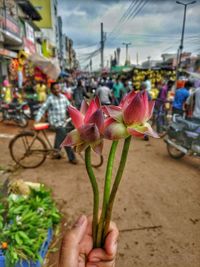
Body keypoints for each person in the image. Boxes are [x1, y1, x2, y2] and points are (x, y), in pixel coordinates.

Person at [35, 82, 77, 164]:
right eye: (54, 89)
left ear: (60, 88)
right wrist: (37, 119)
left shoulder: (63, 97)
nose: (57, 90)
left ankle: (56, 152)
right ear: (51, 90)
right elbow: (42, 109)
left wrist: (77, 113)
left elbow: (70, 107)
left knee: (63, 134)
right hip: (54, 123)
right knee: (65, 136)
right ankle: (71, 157)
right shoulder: (50, 99)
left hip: (63, 122)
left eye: (58, 88)